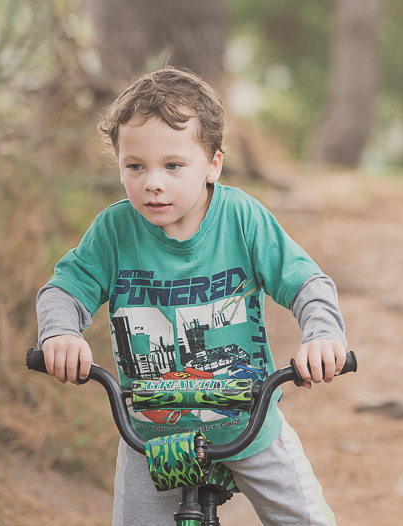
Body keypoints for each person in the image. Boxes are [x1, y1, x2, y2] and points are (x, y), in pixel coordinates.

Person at [36, 67, 347, 526]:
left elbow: (307, 282)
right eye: (135, 166)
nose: (152, 182)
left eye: (173, 165)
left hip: (248, 423)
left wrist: (322, 335)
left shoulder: (241, 218)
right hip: (150, 437)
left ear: (212, 165)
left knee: (306, 519)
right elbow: (65, 288)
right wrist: (61, 332)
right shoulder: (114, 230)